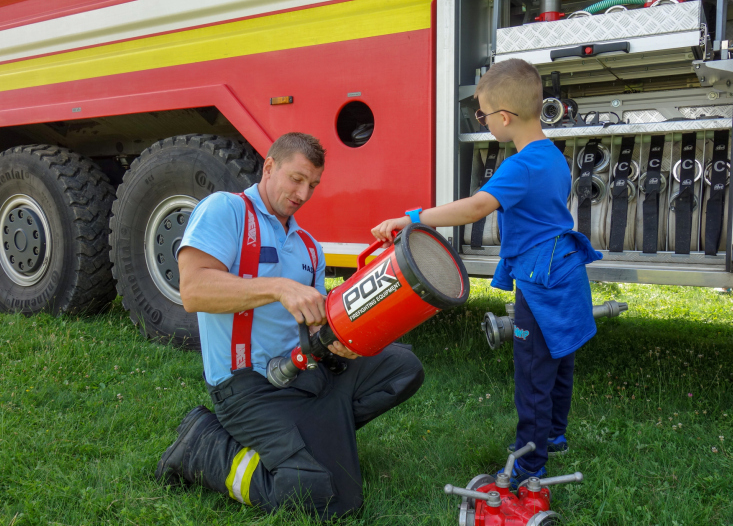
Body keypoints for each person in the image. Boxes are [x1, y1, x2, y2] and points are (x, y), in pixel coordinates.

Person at [156, 132, 424, 519]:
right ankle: (203, 447)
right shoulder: (226, 210)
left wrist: (338, 341)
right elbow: (194, 290)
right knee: (324, 498)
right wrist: (279, 288)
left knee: (402, 368)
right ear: (269, 166)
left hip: (305, 371)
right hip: (247, 387)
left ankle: (314, 437)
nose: (303, 193)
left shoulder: (309, 247)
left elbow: (314, 325)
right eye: (296, 179)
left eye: (312, 185)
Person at [372, 59, 601, 488]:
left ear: (504, 117)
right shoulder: (553, 156)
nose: (483, 121)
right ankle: (553, 436)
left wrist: (414, 219)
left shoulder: (520, 166)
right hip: (566, 272)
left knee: (533, 372)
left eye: (482, 114)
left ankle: (529, 467)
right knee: (560, 358)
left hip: (540, 278)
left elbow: (476, 206)